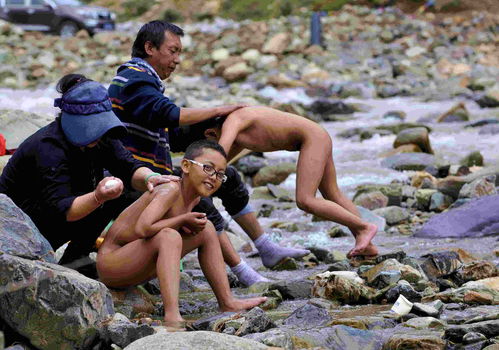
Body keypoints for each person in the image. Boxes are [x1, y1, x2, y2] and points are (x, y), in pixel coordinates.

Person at [108, 20, 309, 286]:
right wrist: (217, 111)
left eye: (180, 53)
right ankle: (245, 274)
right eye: (173, 51)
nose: (177, 60)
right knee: (199, 199)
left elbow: (169, 135)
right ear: (149, 47)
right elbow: (170, 114)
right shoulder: (133, 77)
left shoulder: (144, 81)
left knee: (228, 178)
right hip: (135, 180)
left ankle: (265, 247)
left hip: (155, 176)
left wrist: (208, 130)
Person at [0, 74, 177, 272]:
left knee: (129, 193)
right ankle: (60, 262)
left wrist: (151, 178)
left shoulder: (103, 138)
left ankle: (76, 258)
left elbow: (129, 167)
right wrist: (98, 196)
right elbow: (64, 210)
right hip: (23, 226)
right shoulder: (48, 147)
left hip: (66, 210)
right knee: (104, 199)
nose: (97, 134)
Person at [97, 140, 266, 330]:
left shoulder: (194, 198)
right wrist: (181, 220)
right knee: (169, 235)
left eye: (220, 174)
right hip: (112, 264)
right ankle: (172, 315)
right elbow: (143, 229)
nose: (214, 177)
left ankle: (226, 301)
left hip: (136, 262)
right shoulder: (170, 188)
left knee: (208, 228)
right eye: (208, 168)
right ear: (186, 165)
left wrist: (184, 222)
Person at [190, 106, 379, 258]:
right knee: (332, 193)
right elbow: (218, 168)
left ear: (210, 134)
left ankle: (364, 228)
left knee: (306, 200)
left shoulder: (234, 120)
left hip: (311, 138)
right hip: (315, 135)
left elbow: (217, 158)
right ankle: (367, 246)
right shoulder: (239, 135)